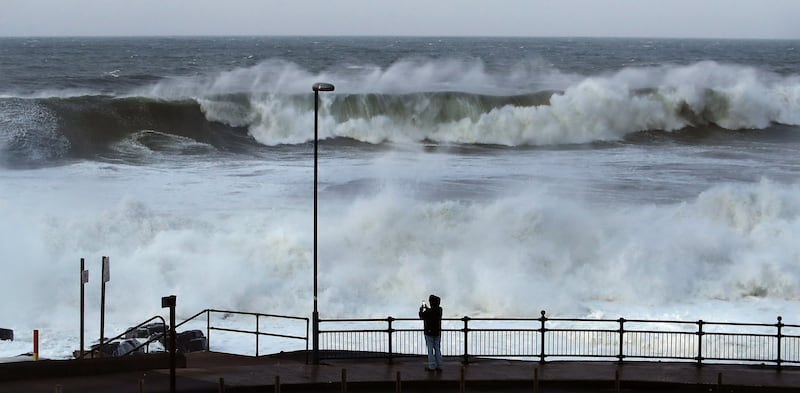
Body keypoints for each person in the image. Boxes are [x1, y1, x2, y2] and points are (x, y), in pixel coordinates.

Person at [418, 294, 443, 371]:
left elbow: (421, 316)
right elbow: (432, 311)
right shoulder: (439, 309)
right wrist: (427, 308)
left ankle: (432, 366)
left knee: (430, 350)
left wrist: (421, 309)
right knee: (437, 349)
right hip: (437, 332)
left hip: (429, 333)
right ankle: (439, 365)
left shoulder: (428, 312)